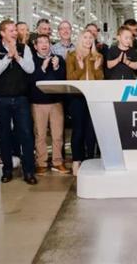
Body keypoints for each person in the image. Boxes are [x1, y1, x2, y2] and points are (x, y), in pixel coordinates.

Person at [0, 20, 37, 185]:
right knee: (5, 135)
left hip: (21, 99)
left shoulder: (25, 48)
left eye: (15, 30)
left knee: (26, 134)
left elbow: (30, 69)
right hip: (2, 99)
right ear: (2, 33)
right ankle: (7, 170)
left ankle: (29, 171)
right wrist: (9, 56)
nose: (15, 33)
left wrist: (17, 57)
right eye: (10, 30)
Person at [66, 30, 104, 176]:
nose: (88, 40)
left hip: (93, 97)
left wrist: (96, 68)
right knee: (78, 130)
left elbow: (100, 79)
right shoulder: (72, 56)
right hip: (77, 97)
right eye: (85, 37)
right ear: (80, 39)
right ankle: (77, 159)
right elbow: (70, 79)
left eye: (90, 38)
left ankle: (90, 159)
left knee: (91, 131)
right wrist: (81, 67)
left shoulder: (98, 56)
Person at [30, 34, 68, 175]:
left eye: (46, 42)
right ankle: (41, 162)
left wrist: (57, 67)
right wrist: (43, 68)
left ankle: (57, 162)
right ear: (35, 46)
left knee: (58, 134)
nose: (44, 44)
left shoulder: (58, 59)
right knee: (40, 135)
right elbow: (31, 81)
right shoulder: (31, 60)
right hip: (38, 103)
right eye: (40, 42)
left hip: (56, 102)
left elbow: (63, 79)